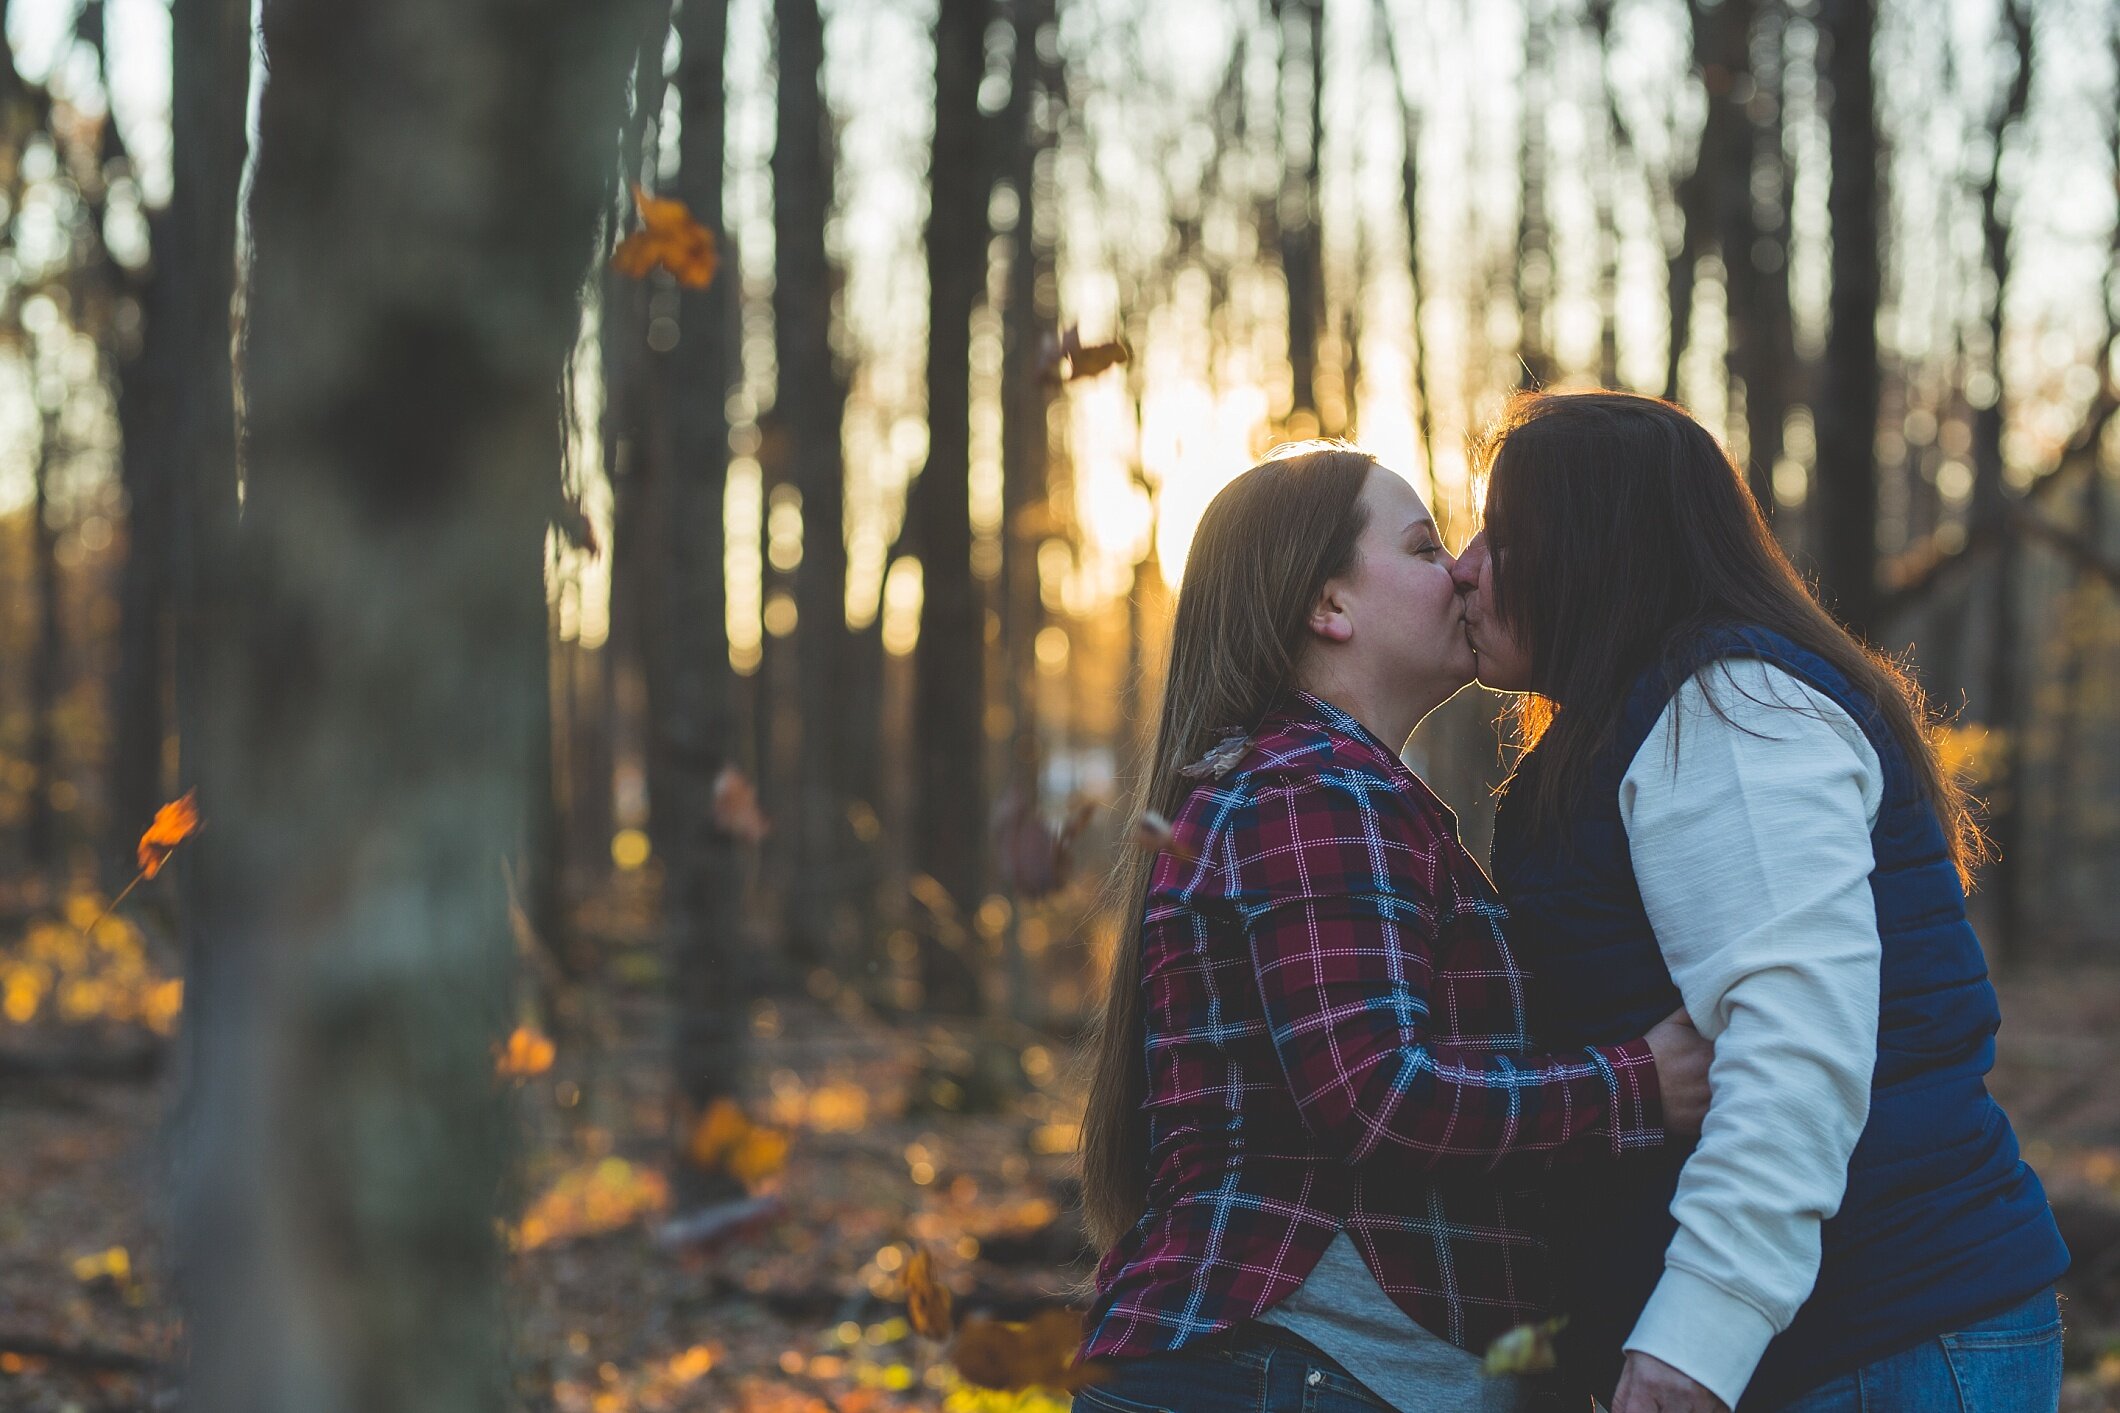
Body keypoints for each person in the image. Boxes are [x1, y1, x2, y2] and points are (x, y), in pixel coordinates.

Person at [1451, 390, 2070, 1412]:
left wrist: (1696, 1331)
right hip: (1836, 1343)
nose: (1467, 567)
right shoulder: (1649, 717)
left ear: (1599, 552)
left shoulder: (1727, 712)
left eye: (1505, 539)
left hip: (1884, 1338)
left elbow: (1794, 1043)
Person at [1074, 442, 1712, 1413]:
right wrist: (1636, 1086)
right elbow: (1373, 1092)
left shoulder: (1331, 788)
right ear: (1328, 608)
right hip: (1285, 1373)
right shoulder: (1311, 792)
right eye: (1422, 547)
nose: (1459, 569)